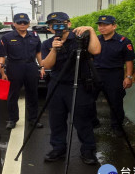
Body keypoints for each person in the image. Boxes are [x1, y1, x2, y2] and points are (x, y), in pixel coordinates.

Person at [41, 12, 101, 165]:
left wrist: (92, 31)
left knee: (82, 119)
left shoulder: (80, 38)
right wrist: (54, 49)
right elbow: (46, 65)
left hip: (79, 84)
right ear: (49, 28)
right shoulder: (48, 44)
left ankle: (88, 149)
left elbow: (96, 51)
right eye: (53, 24)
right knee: (56, 119)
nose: (58, 27)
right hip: (57, 85)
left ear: (69, 23)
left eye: (60, 23)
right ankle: (58, 148)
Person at [92, 15, 135, 137]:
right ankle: (93, 122)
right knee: (89, 100)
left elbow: (129, 61)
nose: (102, 27)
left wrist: (129, 77)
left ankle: (117, 126)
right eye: (100, 25)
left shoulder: (123, 41)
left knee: (115, 102)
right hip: (95, 74)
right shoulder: (95, 40)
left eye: (105, 25)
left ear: (114, 26)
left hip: (114, 75)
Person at [1, 13, 45, 129]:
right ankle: (12, 119)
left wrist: (42, 67)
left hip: (31, 67)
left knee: (33, 94)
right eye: (19, 22)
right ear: (14, 24)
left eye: (25, 22)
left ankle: (33, 119)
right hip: (14, 67)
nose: (22, 24)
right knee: (13, 95)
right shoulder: (7, 37)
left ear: (28, 23)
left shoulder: (34, 36)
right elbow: (1, 55)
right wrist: (2, 72)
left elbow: (38, 53)